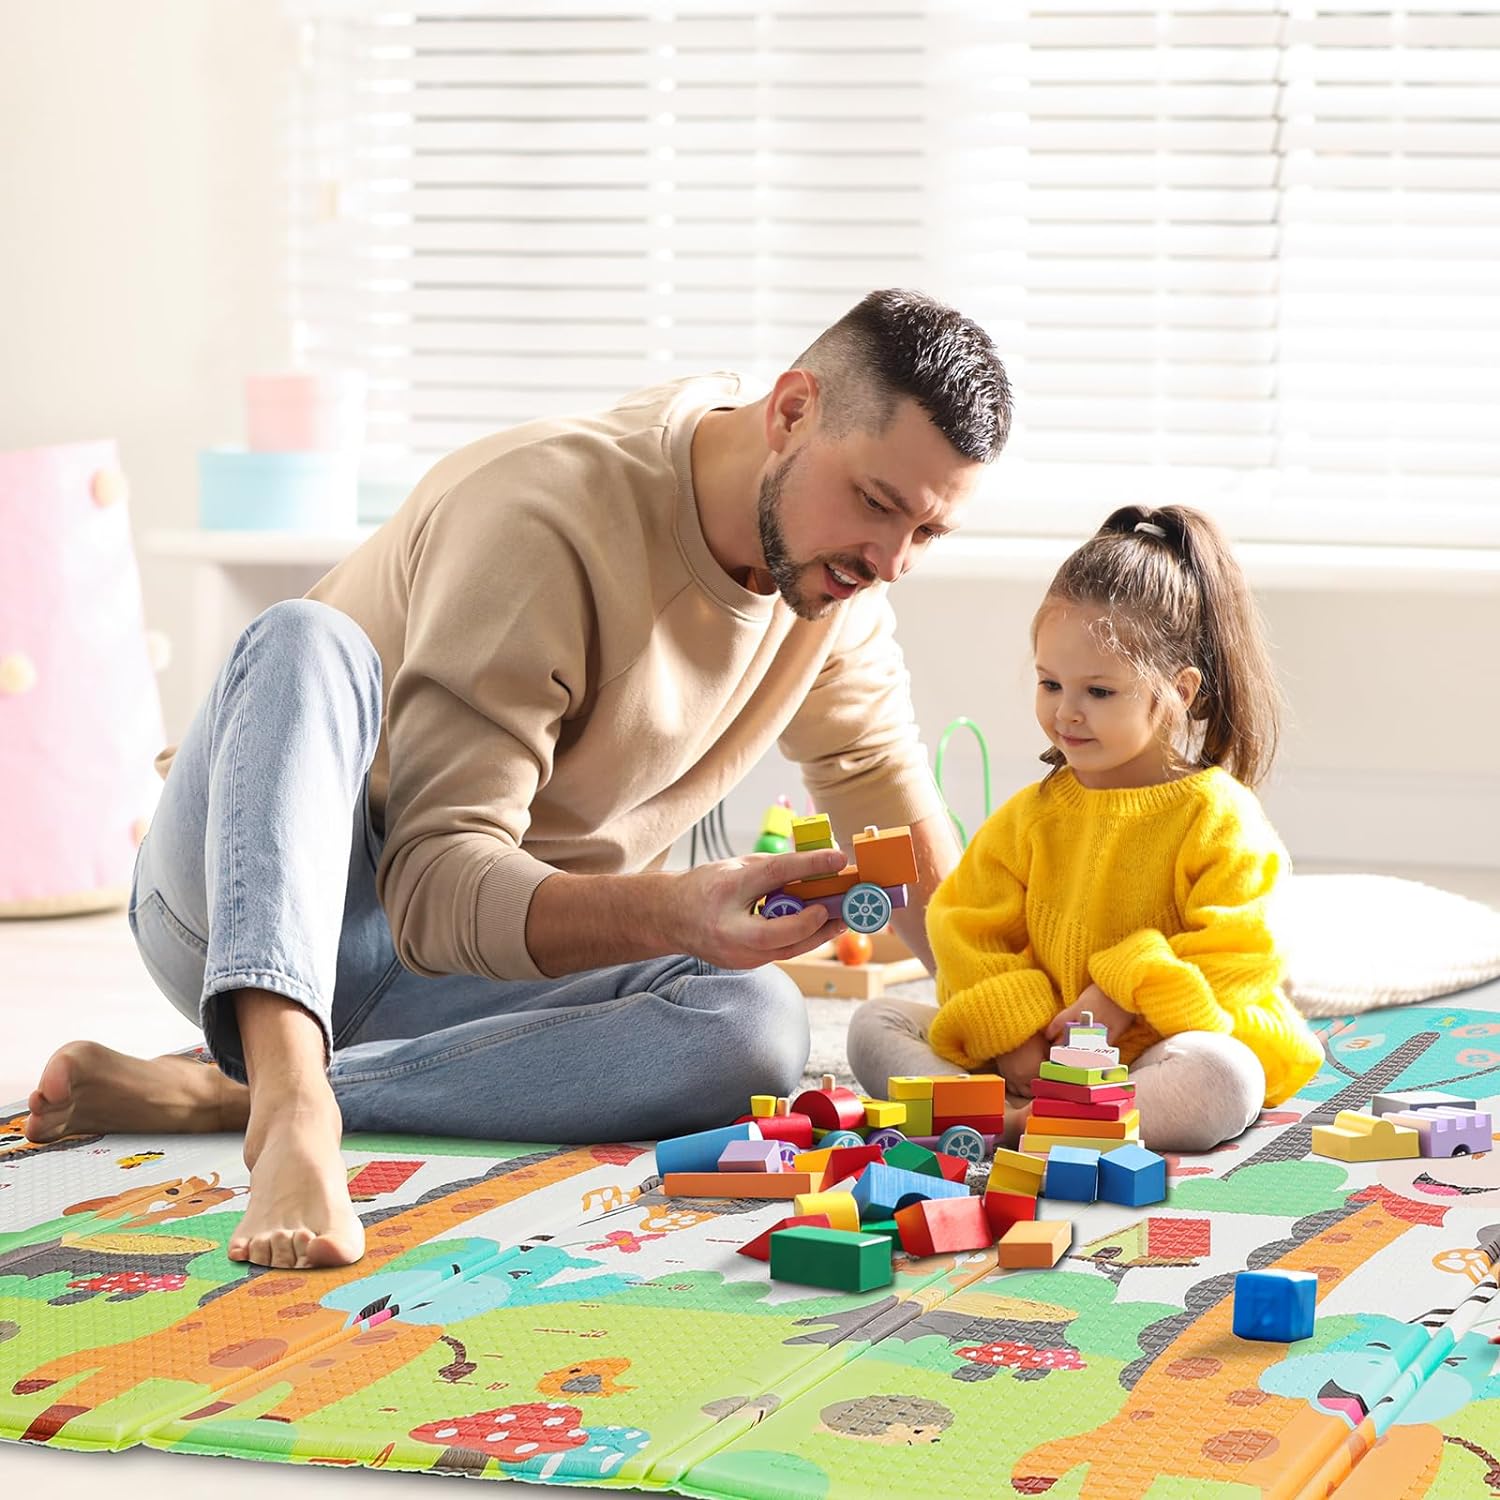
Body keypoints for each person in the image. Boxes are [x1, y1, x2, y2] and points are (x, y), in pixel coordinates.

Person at [22, 289, 1012, 1271]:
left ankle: (226, 1093)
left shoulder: (835, 574)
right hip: (258, 899)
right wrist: (672, 910)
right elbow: (434, 888)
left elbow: (879, 781)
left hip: (473, 962)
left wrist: (1002, 1021)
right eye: (878, 505)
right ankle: (283, 1102)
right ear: (791, 411)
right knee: (303, 639)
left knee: (753, 1026)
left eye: (928, 535)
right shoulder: (542, 513)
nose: (889, 561)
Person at [848, 504, 1324, 1153]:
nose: (1066, 713)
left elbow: (1240, 957)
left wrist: (1122, 991)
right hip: (1033, 1060)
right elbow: (965, 926)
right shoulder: (1032, 815)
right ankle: (1034, 1118)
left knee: (1226, 1076)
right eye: (1050, 684)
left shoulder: (1218, 816)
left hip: (1151, 1059)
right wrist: (1013, 1028)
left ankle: (1009, 1127)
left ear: (1180, 691)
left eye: (1099, 692)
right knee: (876, 1023)